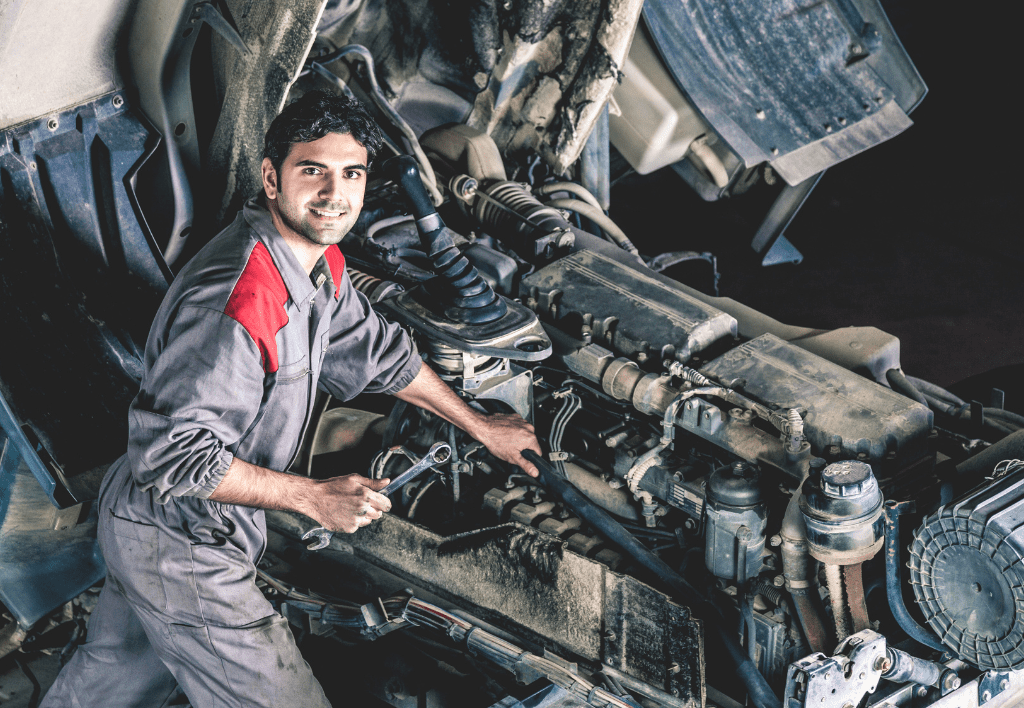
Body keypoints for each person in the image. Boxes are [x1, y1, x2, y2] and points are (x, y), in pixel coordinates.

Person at [41, 90, 541, 708]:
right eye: (314, 171)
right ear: (271, 178)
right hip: (180, 538)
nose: (336, 194)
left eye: (350, 174)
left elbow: (379, 353)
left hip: (158, 521)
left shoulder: (316, 262)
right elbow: (172, 457)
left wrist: (482, 425)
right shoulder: (241, 299)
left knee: (113, 681)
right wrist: (312, 498)